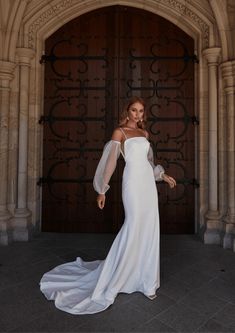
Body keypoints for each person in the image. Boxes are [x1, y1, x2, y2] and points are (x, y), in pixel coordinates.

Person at [39, 96, 176, 315]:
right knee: (133, 225)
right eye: (134, 110)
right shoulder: (119, 133)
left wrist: (163, 175)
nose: (138, 115)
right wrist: (102, 189)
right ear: (127, 111)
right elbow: (111, 162)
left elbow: (149, 163)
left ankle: (147, 281)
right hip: (132, 184)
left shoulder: (144, 134)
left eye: (141, 111)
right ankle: (119, 276)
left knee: (150, 228)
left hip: (148, 184)